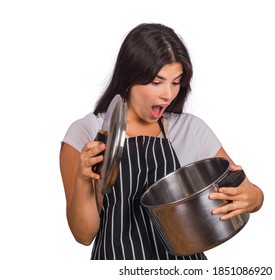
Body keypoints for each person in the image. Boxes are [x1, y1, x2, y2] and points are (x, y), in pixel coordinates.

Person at [59, 23, 264, 260]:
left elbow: (245, 190)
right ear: (129, 78)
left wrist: (254, 198)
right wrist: (84, 179)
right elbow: (83, 236)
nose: (168, 94)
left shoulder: (190, 128)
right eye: (157, 82)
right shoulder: (88, 132)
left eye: (176, 82)